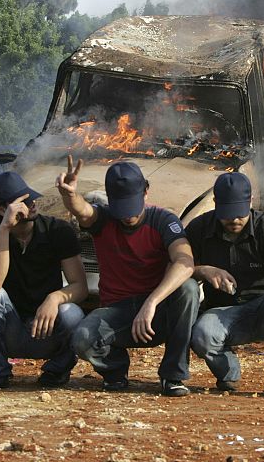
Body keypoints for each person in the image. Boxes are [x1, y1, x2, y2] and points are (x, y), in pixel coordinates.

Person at [56, 156, 199, 397]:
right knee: (82, 338)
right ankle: (115, 371)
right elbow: (83, 211)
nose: (128, 216)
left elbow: (185, 262)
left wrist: (151, 302)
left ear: (146, 192)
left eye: (132, 206)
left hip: (158, 312)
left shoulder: (163, 221)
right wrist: (70, 195)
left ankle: (173, 375)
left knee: (189, 288)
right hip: (117, 311)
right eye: (121, 207)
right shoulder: (104, 220)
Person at [187, 172, 264, 398]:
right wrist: (202, 270)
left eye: (239, 214)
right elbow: (175, 268)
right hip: (224, 314)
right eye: (227, 214)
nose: (233, 220)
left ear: (250, 202)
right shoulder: (199, 228)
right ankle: (229, 372)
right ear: (215, 205)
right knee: (202, 334)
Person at [0, 171, 88, 389]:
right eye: (23, 201)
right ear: (0, 209)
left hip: (47, 328)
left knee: (72, 312)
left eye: (31, 198)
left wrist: (54, 299)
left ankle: (57, 370)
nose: (32, 204)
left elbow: (80, 287)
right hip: (10, 328)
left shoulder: (57, 230)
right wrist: (4, 229)